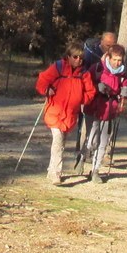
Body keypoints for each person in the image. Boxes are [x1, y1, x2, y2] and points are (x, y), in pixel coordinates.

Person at [35, 42, 96, 186]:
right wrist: (46, 90)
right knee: (57, 139)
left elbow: (91, 92)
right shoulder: (58, 67)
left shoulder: (84, 74)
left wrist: (81, 99)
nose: (78, 60)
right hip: (55, 111)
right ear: (68, 56)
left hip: (70, 114)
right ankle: (57, 173)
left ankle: (51, 170)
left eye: (81, 58)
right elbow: (42, 80)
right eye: (75, 57)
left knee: (61, 142)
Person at [80, 43, 127, 183]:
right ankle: (83, 155)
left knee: (103, 141)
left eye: (119, 60)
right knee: (92, 140)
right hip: (94, 108)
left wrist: (125, 92)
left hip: (109, 110)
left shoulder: (123, 74)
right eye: (114, 59)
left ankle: (95, 170)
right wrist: (97, 87)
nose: (117, 63)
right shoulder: (97, 68)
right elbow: (85, 84)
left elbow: (125, 88)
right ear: (108, 57)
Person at [74, 30, 118, 157]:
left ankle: (102, 152)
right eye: (108, 45)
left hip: (108, 97)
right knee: (87, 123)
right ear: (101, 42)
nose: (110, 48)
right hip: (90, 92)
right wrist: (93, 85)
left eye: (113, 45)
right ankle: (82, 149)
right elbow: (84, 71)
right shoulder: (90, 54)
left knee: (105, 125)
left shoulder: (115, 55)